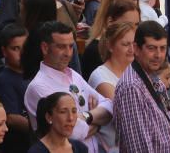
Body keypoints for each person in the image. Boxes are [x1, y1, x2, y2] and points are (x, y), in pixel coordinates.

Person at [22, 21, 112, 151]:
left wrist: (86, 116)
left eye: (70, 46)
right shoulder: (38, 87)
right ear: (45, 48)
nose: (68, 53)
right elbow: (73, 133)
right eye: (61, 47)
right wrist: (97, 124)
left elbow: (110, 107)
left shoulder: (73, 74)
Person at [112, 21, 170, 153]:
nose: (158, 55)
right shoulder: (131, 88)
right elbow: (139, 148)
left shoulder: (151, 75)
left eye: (162, 48)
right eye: (151, 48)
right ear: (136, 49)